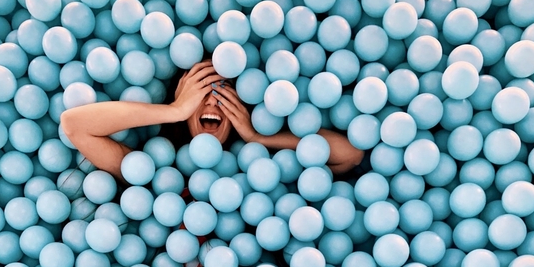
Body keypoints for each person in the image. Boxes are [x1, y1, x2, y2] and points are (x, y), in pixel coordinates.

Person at [61, 61, 364, 182]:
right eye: (200, 92)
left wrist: (259, 138)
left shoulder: (259, 167)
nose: (209, 101)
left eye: (222, 92)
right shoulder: (154, 170)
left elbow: (350, 153)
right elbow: (75, 124)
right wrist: (174, 110)